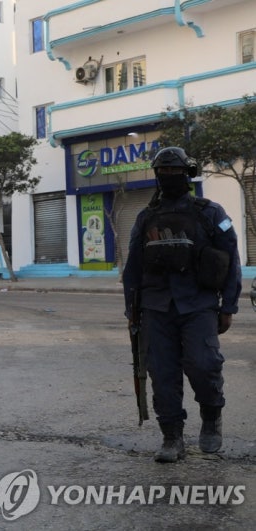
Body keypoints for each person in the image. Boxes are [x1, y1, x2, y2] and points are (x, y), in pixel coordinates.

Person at [123, 147, 241, 463]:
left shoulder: (210, 212)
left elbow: (231, 259)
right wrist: (131, 310)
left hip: (198, 304)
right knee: (162, 374)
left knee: (204, 364)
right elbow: (133, 267)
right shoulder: (146, 217)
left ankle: (211, 417)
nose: (169, 177)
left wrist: (228, 306)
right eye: (163, 172)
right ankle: (172, 437)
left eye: (175, 171)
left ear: (187, 174)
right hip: (156, 307)